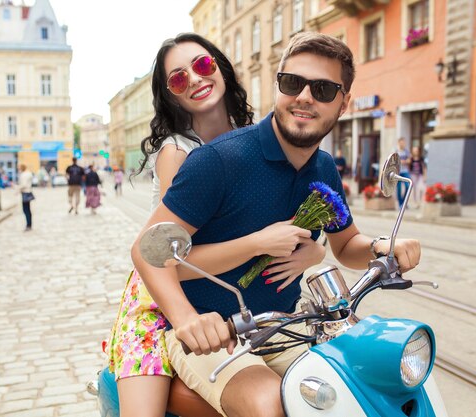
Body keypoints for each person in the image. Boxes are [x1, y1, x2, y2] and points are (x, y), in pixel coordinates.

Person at [131, 32, 421, 417]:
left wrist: (382, 247)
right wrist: (187, 319)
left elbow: (346, 244)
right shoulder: (218, 161)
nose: (304, 97)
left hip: (286, 326)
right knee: (272, 405)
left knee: (362, 387)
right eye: (292, 83)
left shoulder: (324, 168)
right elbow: (147, 251)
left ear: (344, 103)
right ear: (277, 87)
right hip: (218, 337)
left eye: (322, 89)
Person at [108, 33, 325, 417]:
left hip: (234, 302)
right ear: (171, 94)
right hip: (162, 296)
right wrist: (259, 243)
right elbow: (167, 254)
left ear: (221, 69)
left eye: (203, 65)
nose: (194, 79)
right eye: (178, 79)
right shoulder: (178, 151)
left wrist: (314, 250)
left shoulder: (258, 137)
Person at [395, 137, 411, 208]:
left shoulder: (406, 151)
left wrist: (401, 161)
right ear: (398, 143)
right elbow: (394, 161)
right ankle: (400, 203)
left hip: (405, 171)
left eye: (403, 142)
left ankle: (404, 202)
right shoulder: (396, 151)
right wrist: (403, 161)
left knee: (408, 186)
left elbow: (409, 160)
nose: (402, 144)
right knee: (398, 189)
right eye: (401, 142)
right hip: (398, 172)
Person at [18, 164, 34, 231]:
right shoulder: (29, 174)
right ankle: (29, 224)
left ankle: (28, 225)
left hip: (25, 193)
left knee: (26, 210)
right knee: (28, 210)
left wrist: (17, 188)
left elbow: (23, 185)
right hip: (29, 192)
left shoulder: (23, 175)